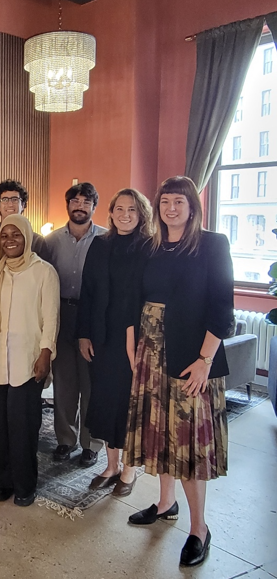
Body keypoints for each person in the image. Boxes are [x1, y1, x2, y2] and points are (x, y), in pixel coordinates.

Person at [123, 176, 234, 568]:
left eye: (179, 202)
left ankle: (199, 528)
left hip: (192, 356)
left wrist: (205, 360)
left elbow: (222, 308)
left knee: (187, 444)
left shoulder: (212, 245)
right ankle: (165, 503)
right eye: (165, 201)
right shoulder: (149, 246)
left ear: (192, 207)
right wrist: (132, 342)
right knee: (159, 433)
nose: (171, 208)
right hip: (151, 352)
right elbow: (134, 297)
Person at [0, 215, 59, 507]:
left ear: (27, 238)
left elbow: (51, 318)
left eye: (16, 234)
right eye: (4, 235)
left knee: (23, 425)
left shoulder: (43, 272)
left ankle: (24, 485)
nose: (10, 240)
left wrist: (46, 353)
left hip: (27, 359)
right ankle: (0, 481)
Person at [77, 189, 153, 495]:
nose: (125, 215)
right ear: (110, 213)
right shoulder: (100, 244)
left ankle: (129, 469)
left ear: (141, 214)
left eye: (132, 209)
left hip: (135, 338)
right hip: (102, 337)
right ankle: (111, 466)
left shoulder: (150, 247)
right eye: (119, 209)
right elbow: (87, 290)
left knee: (129, 405)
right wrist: (84, 333)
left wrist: (141, 341)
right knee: (105, 402)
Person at [45, 182, 106, 466]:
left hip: (93, 316)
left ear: (94, 207)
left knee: (92, 383)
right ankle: (65, 439)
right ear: (68, 205)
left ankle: (91, 443)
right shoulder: (51, 241)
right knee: (64, 383)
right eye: (75, 201)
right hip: (61, 314)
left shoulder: (106, 239)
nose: (80, 206)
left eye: (86, 202)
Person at [0, 180, 48, 264]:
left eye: (15, 199)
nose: (10, 204)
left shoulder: (37, 242)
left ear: (23, 205)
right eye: (5, 199)